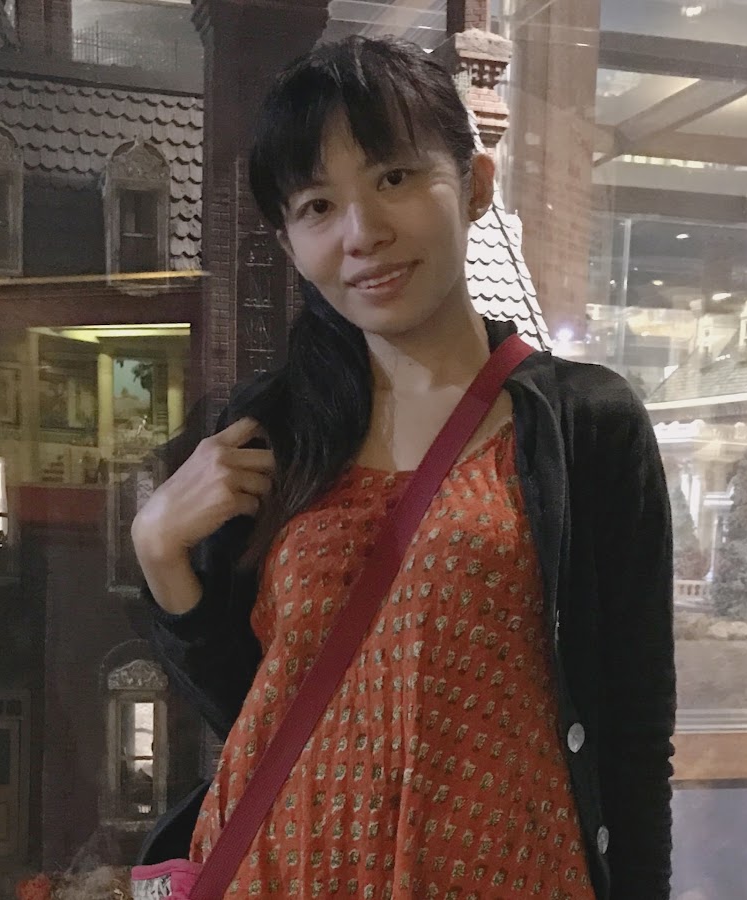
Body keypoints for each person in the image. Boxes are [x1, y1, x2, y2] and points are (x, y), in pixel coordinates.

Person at [132, 35, 676, 900]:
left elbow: (636, 736)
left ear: (476, 185)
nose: (364, 233)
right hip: (286, 872)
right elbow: (253, 711)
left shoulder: (584, 425)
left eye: (394, 177)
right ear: (289, 240)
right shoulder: (272, 432)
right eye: (318, 205)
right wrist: (159, 549)